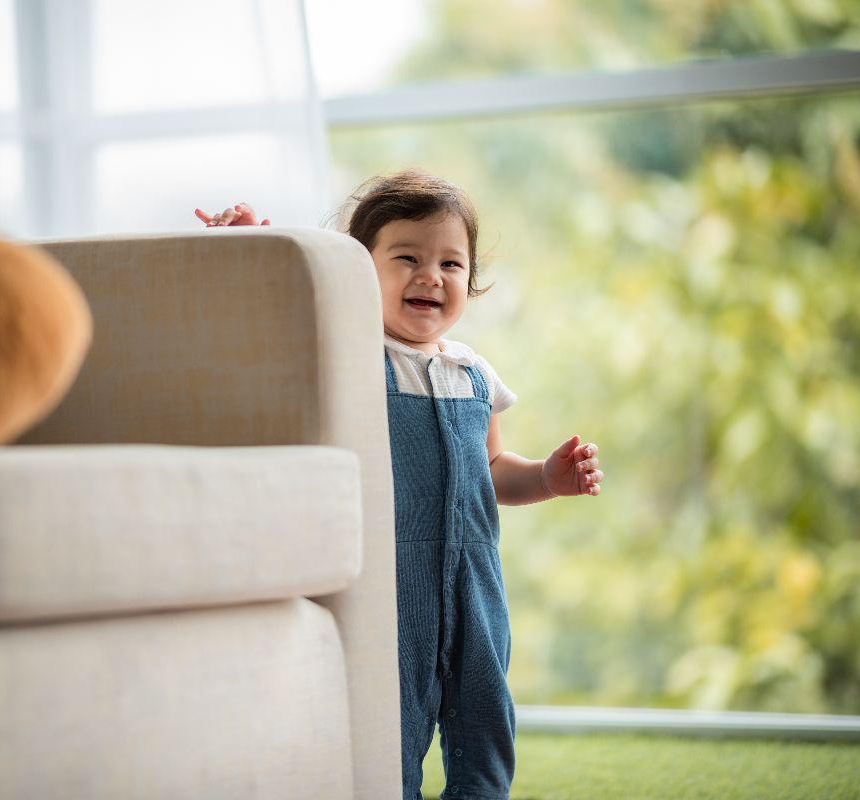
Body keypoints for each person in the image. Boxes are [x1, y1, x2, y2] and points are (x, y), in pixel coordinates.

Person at [195, 170, 603, 800]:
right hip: (390, 581)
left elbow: (491, 474)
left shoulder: (474, 373)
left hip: (475, 583)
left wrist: (548, 478)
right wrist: (253, 241)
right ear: (359, 270)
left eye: (451, 263)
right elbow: (290, 308)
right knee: (392, 728)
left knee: (487, 717)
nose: (430, 276)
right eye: (406, 258)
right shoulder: (356, 351)